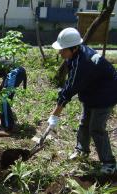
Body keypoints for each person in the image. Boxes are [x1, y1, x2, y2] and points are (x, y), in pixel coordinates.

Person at [47, 28, 117, 174]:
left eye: (62, 49)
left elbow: (70, 89)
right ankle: (82, 150)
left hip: (106, 95)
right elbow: (70, 82)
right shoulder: (76, 55)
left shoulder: (83, 62)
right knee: (84, 123)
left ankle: (109, 163)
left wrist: (55, 115)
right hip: (92, 92)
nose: (60, 52)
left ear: (73, 48)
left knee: (96, 129)